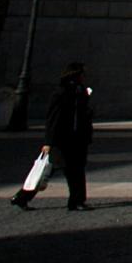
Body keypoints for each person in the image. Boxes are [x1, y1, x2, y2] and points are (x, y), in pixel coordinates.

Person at [11, 62, 95, 211]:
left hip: (77, 138)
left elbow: (84, 115)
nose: (84, 76)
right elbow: (53, 118)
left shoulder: (80, 91)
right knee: (55, 170)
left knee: (72, 170)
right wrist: (48, 142)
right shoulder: (62, 92)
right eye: (82, 73)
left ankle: (23, 197)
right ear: (76, 74)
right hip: (63, 139)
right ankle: (75, 201)